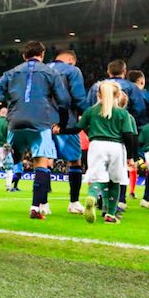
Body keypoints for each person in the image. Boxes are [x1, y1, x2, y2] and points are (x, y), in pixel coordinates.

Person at [0, 41, 70, 219]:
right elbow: (64, 101)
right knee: (41, 162)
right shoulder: (51, 72)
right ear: (42, 54)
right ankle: (35, 207)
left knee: (17, 153)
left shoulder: (11, 73)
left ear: (24, 56)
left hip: (15, 122)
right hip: (40, 122)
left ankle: (17, 153)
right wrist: (62, 124)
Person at [57, 81, 136, 224]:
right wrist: (130, 157)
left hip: (96, 145)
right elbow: (128, 135)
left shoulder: (91, 111)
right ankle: (110, 214)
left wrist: (60, 130)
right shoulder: (122, 113)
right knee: (115, 181)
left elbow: (77, 129)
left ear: (98, 95)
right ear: (118, 95)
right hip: (116, 147)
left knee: (96, 177)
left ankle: (92, 196)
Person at [47, 50, 89, 213]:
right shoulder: (72, 70)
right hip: (66, 123)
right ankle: (74, 203)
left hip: (42, 122)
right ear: (71, 59)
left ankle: (41, 204)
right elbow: (79, 97)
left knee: (43, 160)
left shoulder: (42, 69)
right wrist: (89, 115)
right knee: (74, 161)